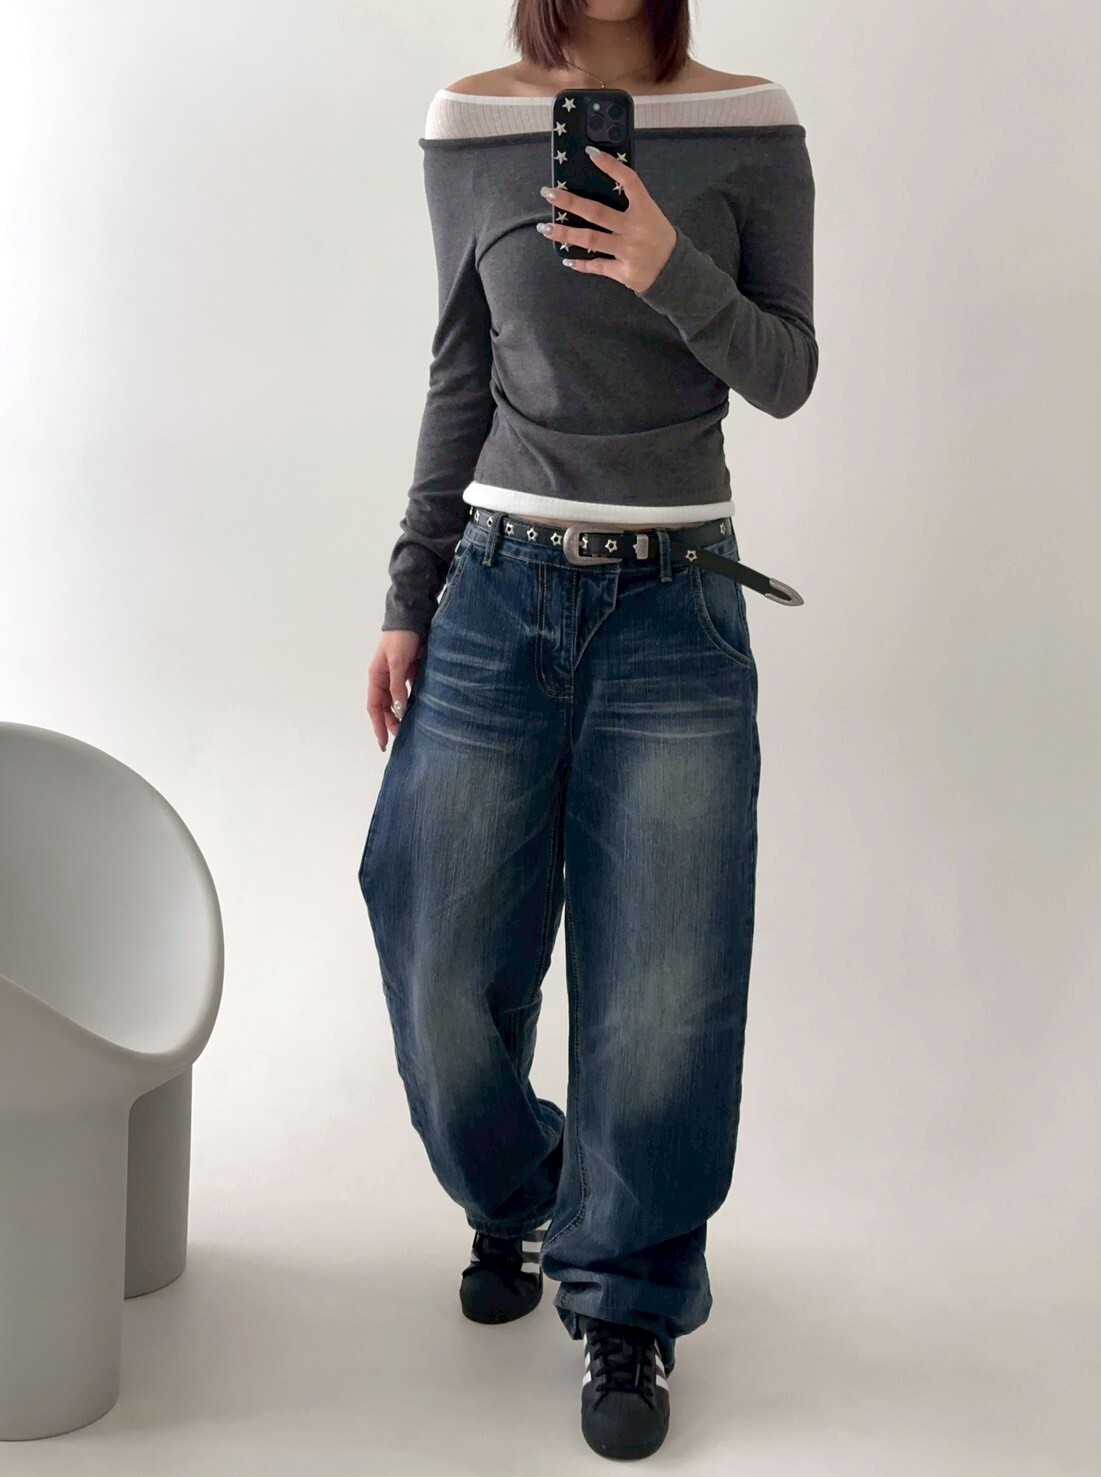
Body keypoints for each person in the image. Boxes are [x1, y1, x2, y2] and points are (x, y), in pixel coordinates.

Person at [358, 0, 817, 1460]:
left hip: (678, 603)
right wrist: (409, 595)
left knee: (665, 989)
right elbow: (460, 373)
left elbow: (787, 371)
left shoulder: (752, 121)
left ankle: (629, 1298)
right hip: (496, 589)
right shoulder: (471, 124)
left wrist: (669, 266)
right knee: (435, 950)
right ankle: (529, 1191)